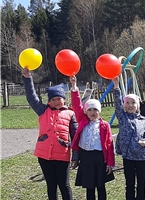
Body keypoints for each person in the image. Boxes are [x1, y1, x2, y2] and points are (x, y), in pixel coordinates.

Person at [22, 67, 78, 200]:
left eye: (59, 99)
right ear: (49, 101)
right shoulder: (43, 110)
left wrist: (76, 156)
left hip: (62, 155)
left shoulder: (70, 113)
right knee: (51, 185)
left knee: (64, 185)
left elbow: (75, 136)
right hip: (44, 156)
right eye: (53, 100)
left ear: (64, 99)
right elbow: (31, 97)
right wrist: (27, 79)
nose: (56, 102)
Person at [70, 76, 115, 200]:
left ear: (99, 111)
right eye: (89, 110)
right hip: (86, 157)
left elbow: (110, 145)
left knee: (101, 186)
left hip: (100, 158)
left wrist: (110, 163)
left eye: (95, 109)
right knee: (89, 186)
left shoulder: (104, 125)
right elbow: (76, 105)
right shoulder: (82, 120)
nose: (92, 112)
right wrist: (74, 87)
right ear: (86, 112)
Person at [112, 77, 145, 200]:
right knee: (130, 184)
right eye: (127, 103)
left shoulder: (143, 120)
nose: (130, 105)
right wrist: (116, 86)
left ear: (138, 105)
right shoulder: (123, 117)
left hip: (141, 157)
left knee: (141, 183)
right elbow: (117, 103)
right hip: (128, 157)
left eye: (133, 103)